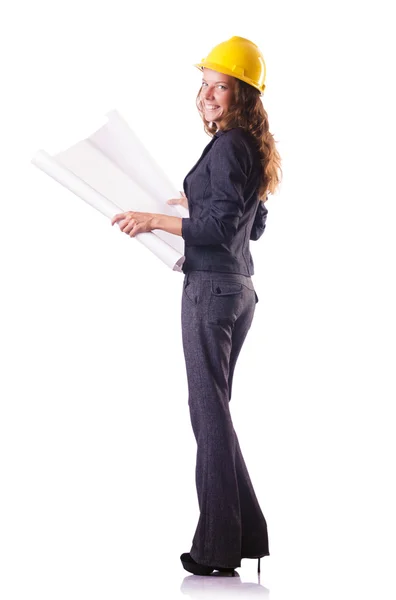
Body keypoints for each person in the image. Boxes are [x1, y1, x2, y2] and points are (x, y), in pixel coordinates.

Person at [111, 35, 282, 576]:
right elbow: (253, 222)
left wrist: (155, 219)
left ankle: (217, 551)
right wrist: (201, 199)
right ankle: (246, 534)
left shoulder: (231, 145)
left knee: (208, 420)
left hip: (210, 290)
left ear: (243, 96)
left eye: (220, 87)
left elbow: (221, 227)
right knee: (216, 417)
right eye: (205, 85)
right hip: (238, 290)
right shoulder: (248, 147)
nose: (208, 95)